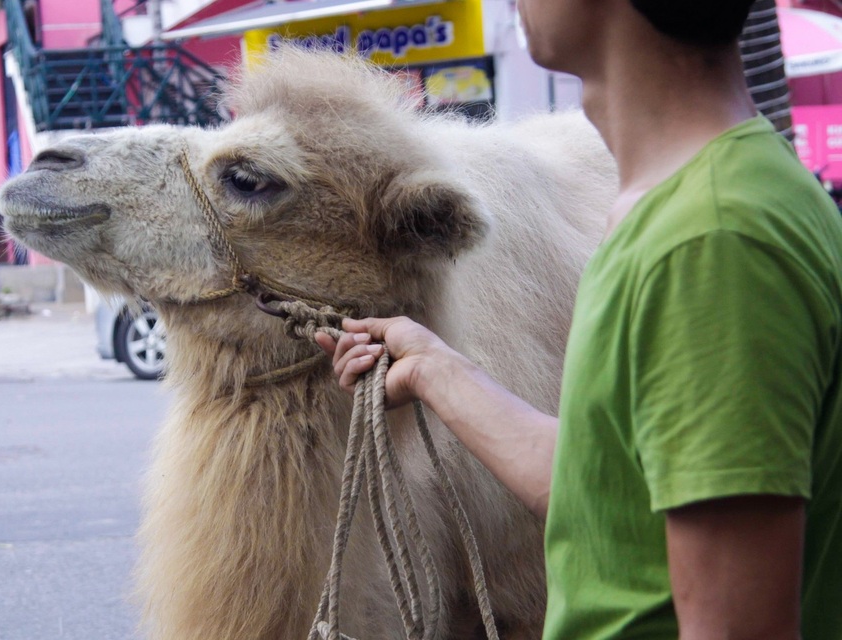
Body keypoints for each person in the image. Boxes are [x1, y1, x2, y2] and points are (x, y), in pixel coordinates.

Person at [316, 0, 842, 637]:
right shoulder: (696, 202)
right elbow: (615, 488)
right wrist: (437, 371)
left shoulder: (709, 238)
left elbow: (739, 627)